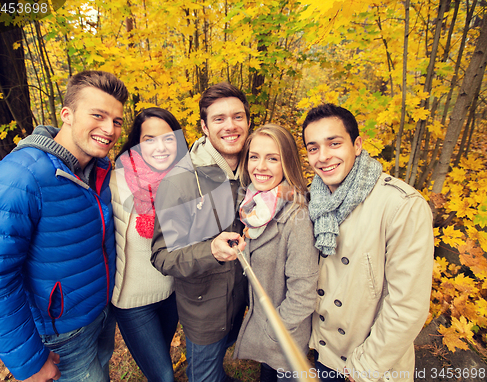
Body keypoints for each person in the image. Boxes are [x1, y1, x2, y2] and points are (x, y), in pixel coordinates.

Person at [0, 70, 128, 381]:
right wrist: (30, 363)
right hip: (60, 336)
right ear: (67, 114)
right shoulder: (18, 178)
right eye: (98, 115)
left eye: (117, 121)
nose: (110, 129)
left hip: (98, 315)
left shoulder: (98, 169)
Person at [303, 104, 434, 382]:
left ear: (357, 144)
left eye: (334, 143)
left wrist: (365, 367)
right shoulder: (312, 200)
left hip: (369, 364)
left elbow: (407, 305)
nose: (323, 156)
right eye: (313, 148)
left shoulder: (401, 205)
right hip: (323, 353)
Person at [151, 82, 250, 382]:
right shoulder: (180, 180)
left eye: (238, 117)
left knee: (222, 358)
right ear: (204, 127)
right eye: (219, 119)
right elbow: (162, 256)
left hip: (242, 303)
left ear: (248, 121)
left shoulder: (258, 168)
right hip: (203, 313)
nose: (230, 126)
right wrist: (210, 251)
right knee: (204, 375)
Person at [232, 124, 318, 382]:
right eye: (254, 156)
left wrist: (274, 329)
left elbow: (303, 292)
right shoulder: (253, 205)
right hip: (266, 334)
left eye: (273, 158)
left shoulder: (297, 216)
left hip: (285, 337)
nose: (260, 166)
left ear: (287, 163)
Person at [110, 107, 187, 382]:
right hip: (132, 302)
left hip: (172, 294)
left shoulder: (186, 180)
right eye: (149, 139)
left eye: (168, 138)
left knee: (161, 357)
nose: (160, 147)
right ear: (137, 143)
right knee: (164, 376)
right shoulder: (115, 180)